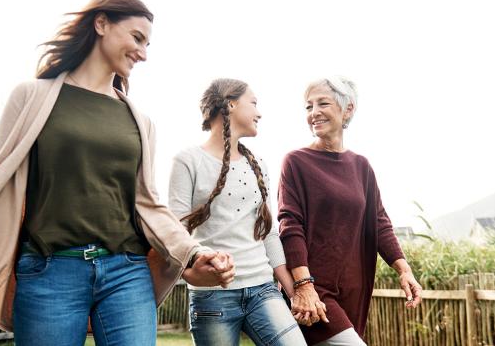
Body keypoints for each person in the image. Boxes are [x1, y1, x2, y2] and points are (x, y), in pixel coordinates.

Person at [0, 0, 234, 346]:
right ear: (101, 23)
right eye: (137, 38)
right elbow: (0, 183)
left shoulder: (139, 120)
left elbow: (149, 204)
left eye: (148, 44)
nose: (144, 53)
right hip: (49, 272)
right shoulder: (31, 97)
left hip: (127, 273)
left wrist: (194, 252)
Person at [278, 76, 424, 345]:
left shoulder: (361, 166)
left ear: (348, 109)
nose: (314, 113)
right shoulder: (296, 162)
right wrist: (303, 285)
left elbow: (379, 223)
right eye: (308, 107)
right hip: (315, 292)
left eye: (323, 103)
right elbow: (290, 226)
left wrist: (404, 270)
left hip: (353, 291)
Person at [168, 78, 307, 346]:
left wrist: (293, 291)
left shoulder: (259, 165)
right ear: (231, 104)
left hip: (263, 290)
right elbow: (176, 234)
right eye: (253, 103)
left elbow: (268, 234)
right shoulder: (188, 161)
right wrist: (190, 271)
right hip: (212, 295)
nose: (259, 112)